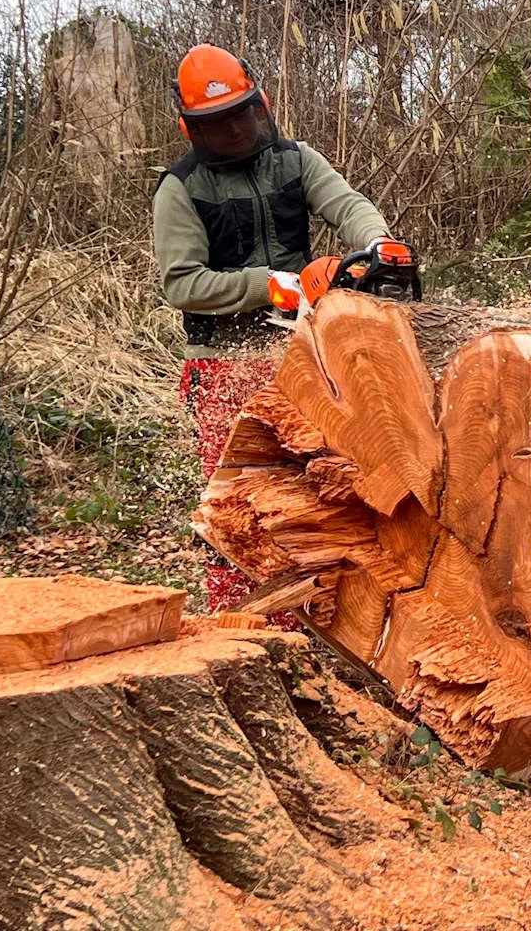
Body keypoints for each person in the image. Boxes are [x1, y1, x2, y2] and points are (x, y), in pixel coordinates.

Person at [150, 42, 412, 608]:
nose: (234, 129)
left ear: (259, 103)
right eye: (216, 123)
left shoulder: (294, 160)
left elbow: (347, 203)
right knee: (244, 506)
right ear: (192, 128)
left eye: (241, 114)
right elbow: (181, 283)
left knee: (326, 489)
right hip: (226, 362)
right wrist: (266, 286)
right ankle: (239, 619)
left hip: (303, 351)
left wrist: (377, 242)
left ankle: (328, 613)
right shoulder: (182, 188)